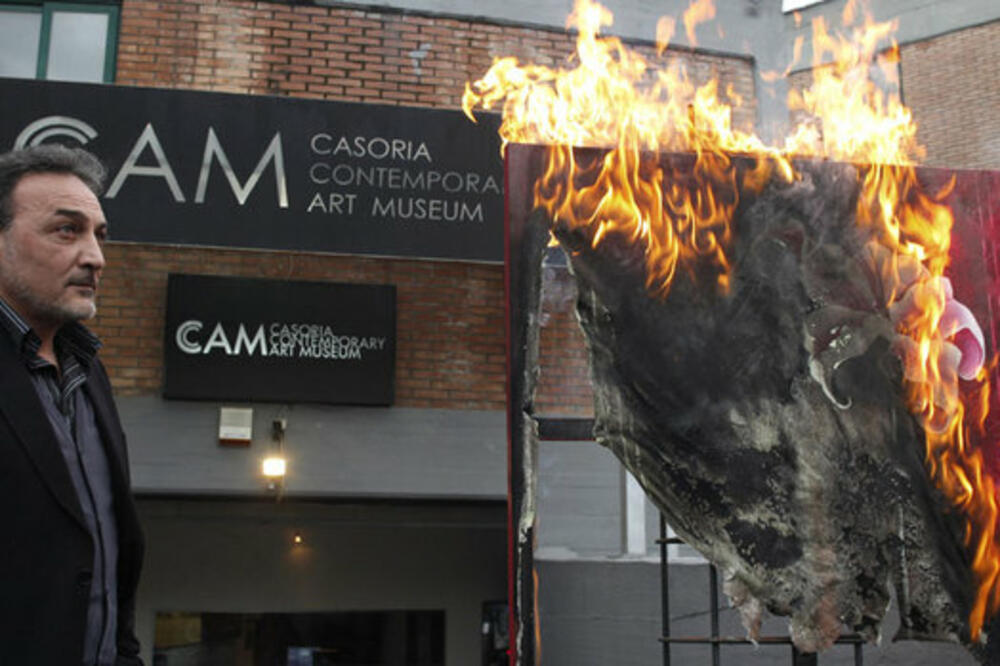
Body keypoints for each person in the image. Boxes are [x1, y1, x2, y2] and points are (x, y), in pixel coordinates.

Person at [0, 144, 144, 665]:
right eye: (67, 230)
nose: (95, 257)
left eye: (99, 235)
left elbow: (108, 570)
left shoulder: (89, 373)